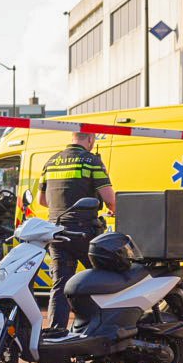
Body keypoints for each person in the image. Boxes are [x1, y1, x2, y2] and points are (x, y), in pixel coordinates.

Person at [36, 131, 115, 334]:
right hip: (84, 233)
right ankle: (105, 329)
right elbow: (110, 200)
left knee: (60, 284)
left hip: (57, 233)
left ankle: (56, 332)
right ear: (90, 139)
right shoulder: (91, 162)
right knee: (106, 278)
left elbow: (42, 201)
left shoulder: (51, 162)